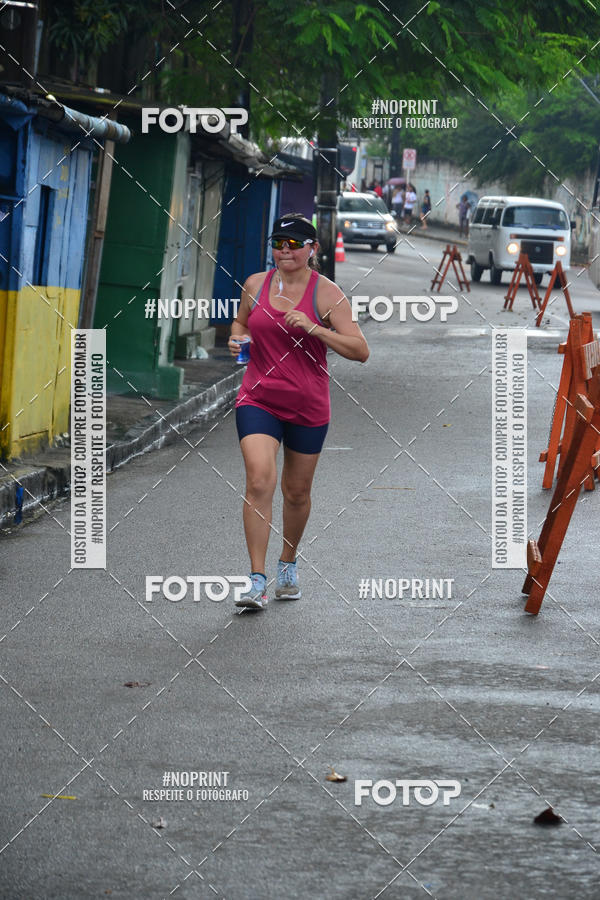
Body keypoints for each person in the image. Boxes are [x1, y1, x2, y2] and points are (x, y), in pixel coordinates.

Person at [228, 213, 370, 609]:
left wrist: (315, 328)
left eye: (294, 244)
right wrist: (238, 339)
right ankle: (256, 581)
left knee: (296, 492)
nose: (284, 251)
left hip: (308, 404)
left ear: (313, 249)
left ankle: (287, 564)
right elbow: (240, 324)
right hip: (258, 398)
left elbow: (360, 350)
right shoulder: (255, 284)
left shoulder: (327, 294)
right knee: (259, 481)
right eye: (278, 243)